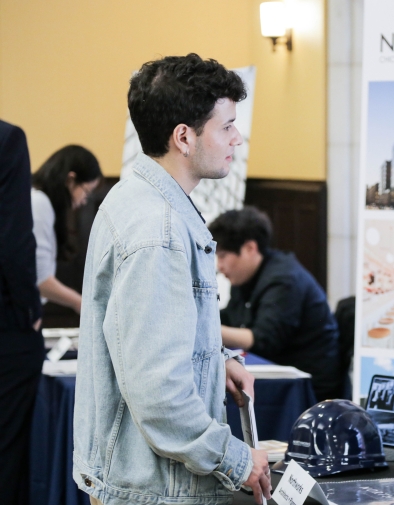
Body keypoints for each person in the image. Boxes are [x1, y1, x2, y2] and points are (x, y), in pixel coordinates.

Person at [73, 54, 271, 505]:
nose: (236, 138)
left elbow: (151, 339)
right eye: (226, 127)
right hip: (151, 489)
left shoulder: (138, 198)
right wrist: (237, 460)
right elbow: (158, 393)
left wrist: (215, 361)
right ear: (184, 136)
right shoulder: (157, 230)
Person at [209, 206, 342, 401]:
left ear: (249, 249)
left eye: (222, 256)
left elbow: (264, 340)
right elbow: (231, 316)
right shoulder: (244, 277)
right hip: (282, 380)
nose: (219, 266)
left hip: (312, 390)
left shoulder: (285, 279)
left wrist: (206, 329)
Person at [0, 119, 44, 505]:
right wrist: (30, 308)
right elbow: (13, 237)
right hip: (5, 324)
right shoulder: (6, 139)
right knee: (6, 453)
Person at [31, 145, 102, 314]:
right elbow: (40, 280)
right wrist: (80, 303)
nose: (85, 201)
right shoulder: (39, 203)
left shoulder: (38, 201)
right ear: (71, 180)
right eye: (87, 192)